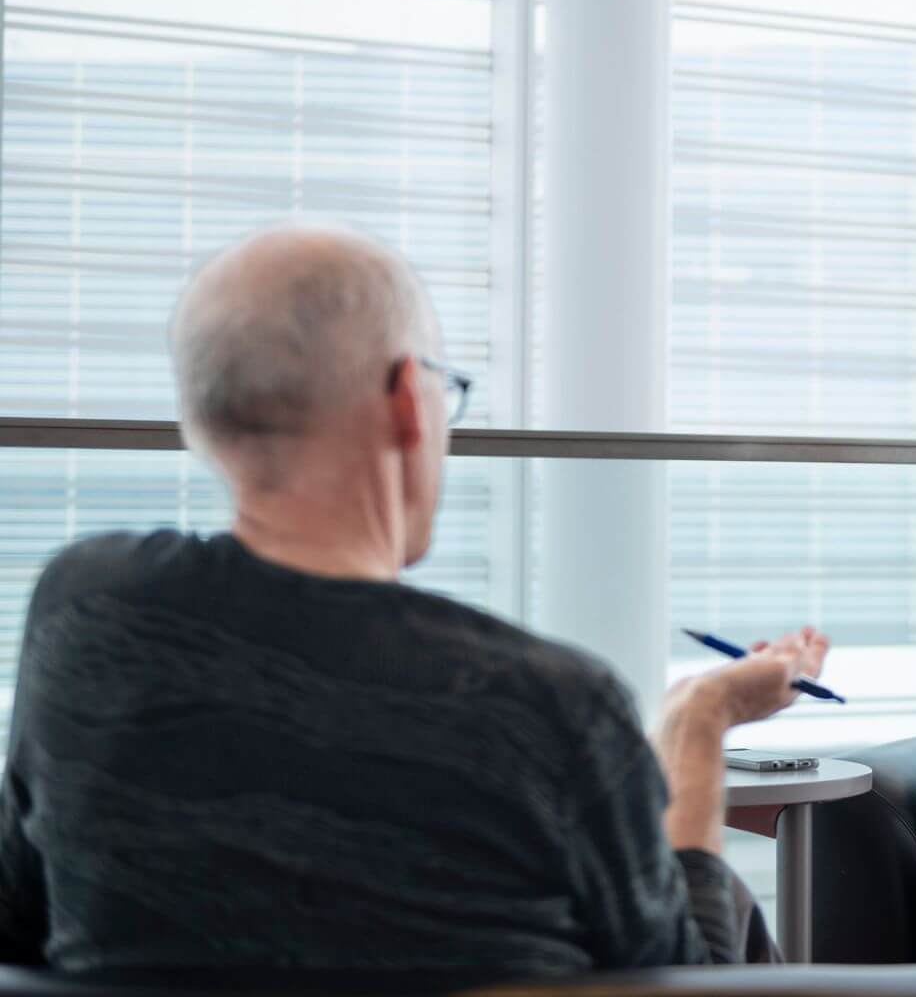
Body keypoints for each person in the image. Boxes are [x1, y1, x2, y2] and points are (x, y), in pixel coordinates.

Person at [0, 223, 824, 977]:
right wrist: (697, 724)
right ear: (405, 398)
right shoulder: (546, 706)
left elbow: (21, 919)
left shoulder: (82, 613)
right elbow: (687, 983)